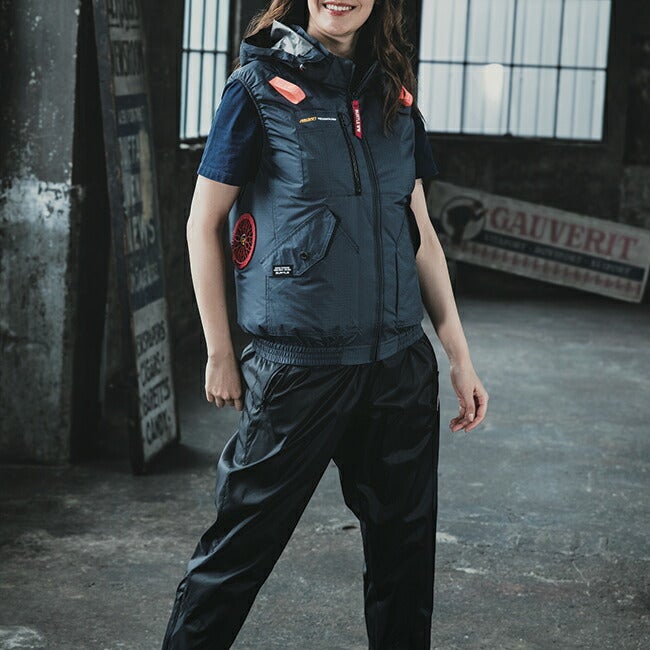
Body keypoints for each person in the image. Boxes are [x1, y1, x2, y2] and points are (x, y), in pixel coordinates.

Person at [162, 0, 489, 648]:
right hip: (298, 369)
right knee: (235, 555)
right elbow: (204, 223)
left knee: (404, 562)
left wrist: (458, 354)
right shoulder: (256, 89)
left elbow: (421, 235)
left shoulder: (394, 96)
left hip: (397, 366)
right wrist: (220, 351)